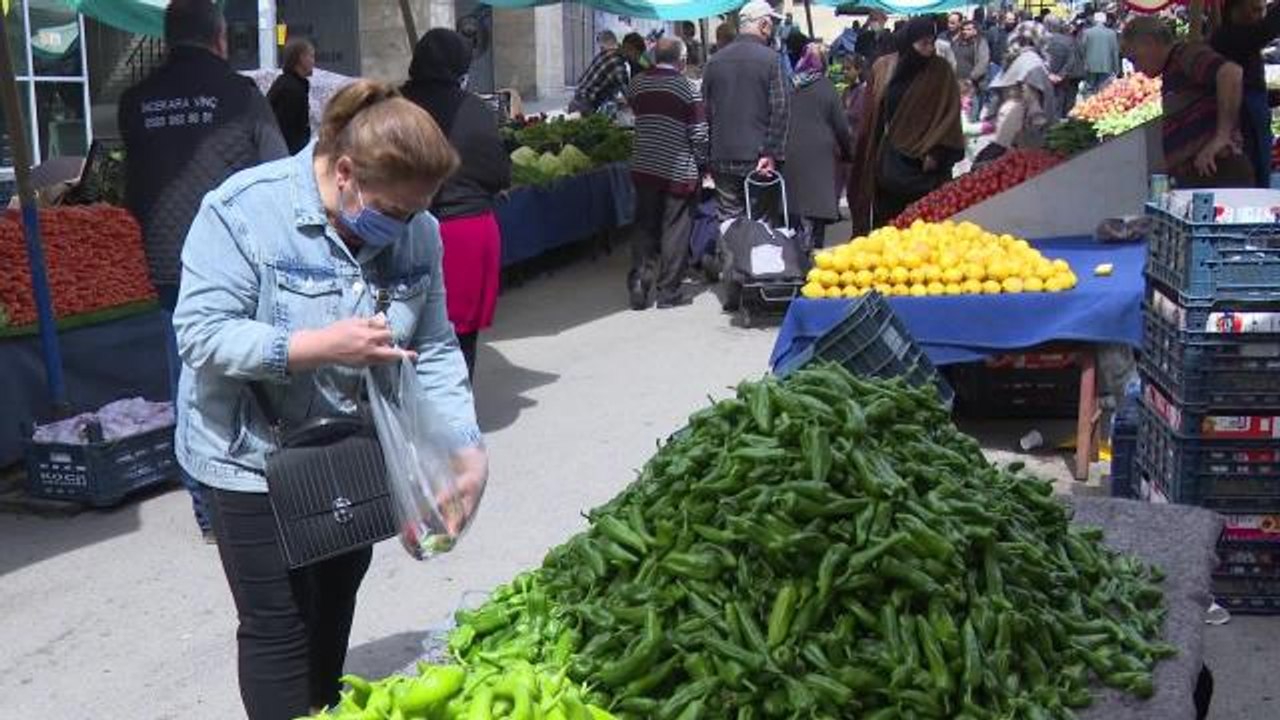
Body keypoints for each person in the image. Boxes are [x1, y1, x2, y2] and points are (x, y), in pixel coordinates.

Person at [174, 79, 486, 720]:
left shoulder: (418, 233)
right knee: (278, 623)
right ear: (344, 173)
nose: (404, 228)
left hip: (347, 447)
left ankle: (323, 707)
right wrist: (314, 345)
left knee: (335, 596)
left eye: (418, 211)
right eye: (394, 212)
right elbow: (201, 335)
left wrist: (465, 448)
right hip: (246, 455)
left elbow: (434, 346)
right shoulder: (243, 211)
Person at [118, 0, 287, 543]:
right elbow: (278, 169)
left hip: (167, 256)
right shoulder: (241, 94)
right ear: (220, 39)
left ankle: (205, 502)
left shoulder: (135, 100)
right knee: (252, 362)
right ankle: (256, 483)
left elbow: (134, 184)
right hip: (238, 256)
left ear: (167, 39)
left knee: (187, 373)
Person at [401, 29, 510, 378]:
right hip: (464, 230)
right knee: (459, 336)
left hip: (398, 229)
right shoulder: (474, 109)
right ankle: (455, 416)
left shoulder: (391, 105)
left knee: (405, 332)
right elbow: (497, 172)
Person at [855, 17, 964, 227]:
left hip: (926, 169)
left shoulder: (941, 71)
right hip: (890, 166)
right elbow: (875, 114)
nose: (929, 49)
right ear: (908, 42)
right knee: (889, 229)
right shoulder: (886, 68)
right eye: (923, 43)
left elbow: (949, 116)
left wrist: (937, 153)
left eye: (932, 42)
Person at [626, 38, 709, 310]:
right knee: (675, 229)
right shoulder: (688, 87)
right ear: (682, 61)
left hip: (644, 166)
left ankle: (639, 282)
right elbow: (698, 134)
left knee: (644, 226)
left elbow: (636, 113)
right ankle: (668, 291)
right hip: (678, 170)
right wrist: (701, 164)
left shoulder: (637, 83)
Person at [1123, 16, 1252, 188]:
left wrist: (1222, 136)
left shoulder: (1185, 55)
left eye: (1134, 59)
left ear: (1150, 42)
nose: (1136, 68)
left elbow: (1230, 73)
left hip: (1218, 169)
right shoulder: (1172, 67)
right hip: (1202, 173)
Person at [702, 0, 790, 223]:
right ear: (762, 25)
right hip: (758, 158)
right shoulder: (771, 60)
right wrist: (770, 152)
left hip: (722, 156)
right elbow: (780, 108)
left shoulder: (715, 61)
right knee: (760, 226)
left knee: (729, 224)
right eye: (771, 23)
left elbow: (705, 112)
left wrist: (706, 156)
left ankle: (732, 258)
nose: (773, 29)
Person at [782, 43, 852, 248]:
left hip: (791, 152)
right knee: (816, 210)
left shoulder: (789, 85)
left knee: (794, 209)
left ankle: (796, 255)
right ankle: (813, 251)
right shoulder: (827, 87)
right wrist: (848, 152)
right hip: (820, 157)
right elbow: (841, 127)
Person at [1212, 0, 1280, 187]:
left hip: (1255, 119)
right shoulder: (1227, 38)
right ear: (1235, 9)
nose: (1259, 16)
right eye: (1255, 10)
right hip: (1241, 128)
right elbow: (1265, 29)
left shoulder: (1245, 39)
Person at [982, 31, 1058, 162]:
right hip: (1021, 121)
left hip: (1012, 117)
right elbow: (1029, 92)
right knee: (1025, 158)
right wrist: (1037, 118)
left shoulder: (1020, 58)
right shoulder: (1031, 60)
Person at [568, 31, 646, 115]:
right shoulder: (617, 64)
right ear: (630, 49)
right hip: (583, 106)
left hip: (578, 101)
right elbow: (629, 95)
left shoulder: (609, 54)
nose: (637, 59)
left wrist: (616, 99)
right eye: (637, 55)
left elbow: (602, 84)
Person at [839, 54, 871, 233]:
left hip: (861, 147)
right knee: (851, 191)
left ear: (858, 70)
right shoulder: (846, 92)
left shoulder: (865, 92)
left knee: (860, 192)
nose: (845, 72)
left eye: (848, 68)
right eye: (843, 68)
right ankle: (857, 229)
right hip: (848, 149)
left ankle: (862, 229)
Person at [267, 37, 315, 154]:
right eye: (311, 56)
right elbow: (290, 134)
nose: (313, 61)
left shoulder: (289, 84)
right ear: (301, 58)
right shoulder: (291, 90)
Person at [1043, 15, 1085, 118]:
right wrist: (1061, 75)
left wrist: (1049, 74)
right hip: (1064, 79)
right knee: (1065, 105)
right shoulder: (1068, 40)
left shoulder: (1041, 40)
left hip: (1047, 78)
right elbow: (1071, 60)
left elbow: (1038, 58)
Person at [953, 20, 992, 122]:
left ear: (975, 31)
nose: (965, 31)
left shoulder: (980, 43)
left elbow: (983, 62)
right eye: (963, 29)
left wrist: (971, 78)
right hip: (957, 81)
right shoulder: (957, 42)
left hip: (973, 83)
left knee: (972, 110)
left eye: (969, 29)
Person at [1082, 12, 1121, 95]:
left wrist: (1083, 63)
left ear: (1095, 20)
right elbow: (1115, 51)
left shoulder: (1087, 32)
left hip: (1090, 65)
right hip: (1106, 65)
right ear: (1105, 21)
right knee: (1103, 90)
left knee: (1089, 89)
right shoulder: (1112, 33)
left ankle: (1089, 105)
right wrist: (1116, 68)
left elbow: (1082, 49)